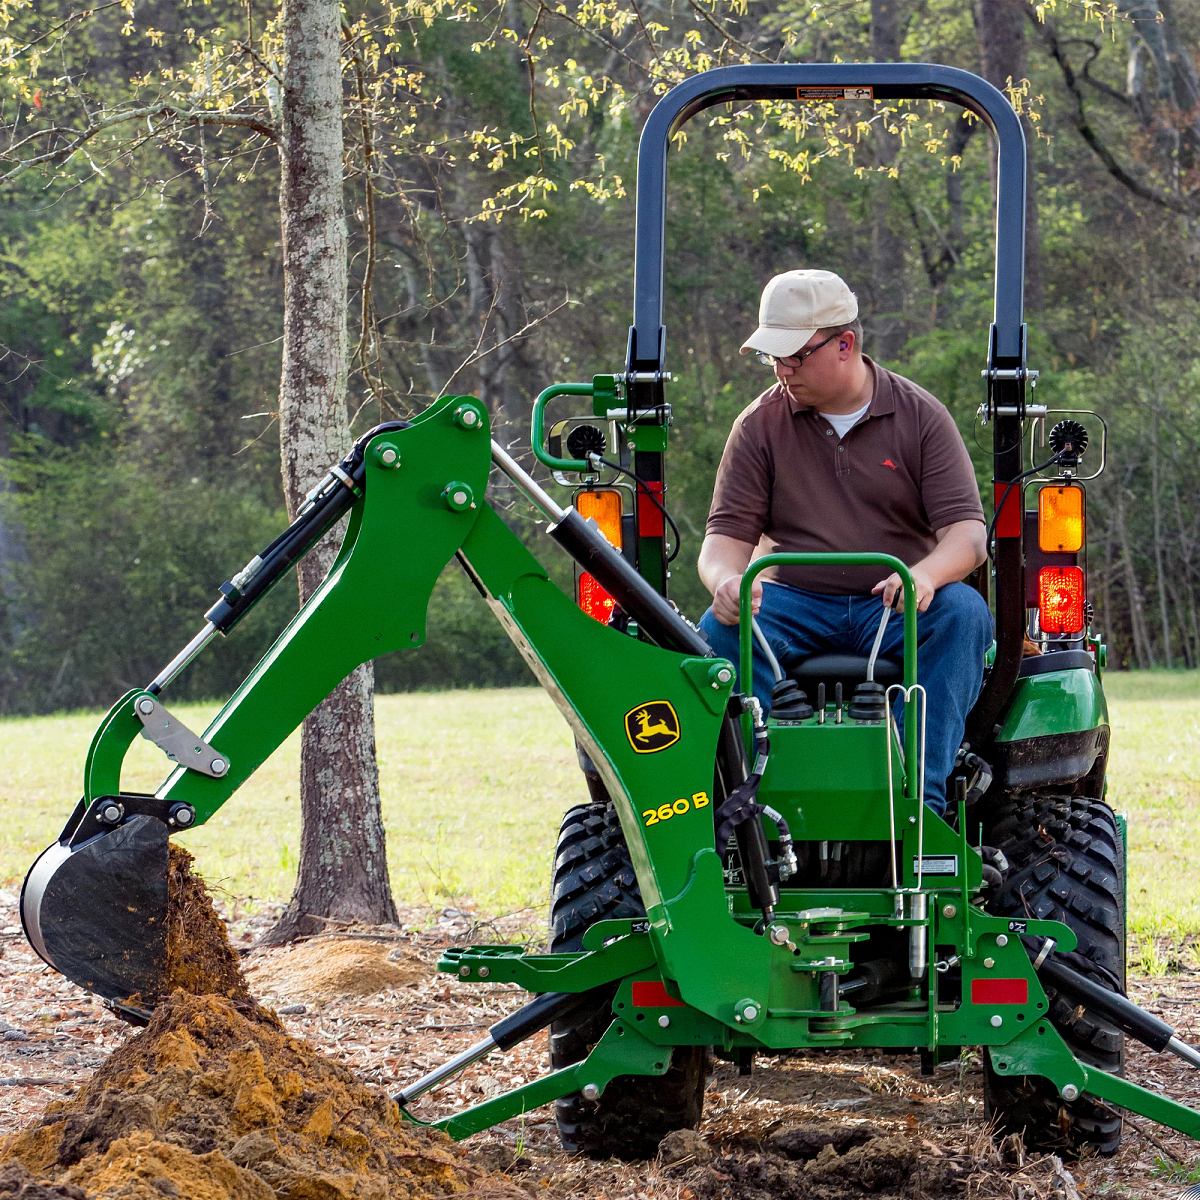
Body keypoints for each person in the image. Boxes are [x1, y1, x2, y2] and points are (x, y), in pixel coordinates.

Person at [697, 269, 993, 815]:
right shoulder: (759, 425)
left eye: (795, 356)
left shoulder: (921, 417)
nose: (783, 370)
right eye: (774, 358)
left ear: (845, 344)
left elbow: (968, 537)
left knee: (964, 613)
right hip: (793, 604)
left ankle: (917, 804)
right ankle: (760, 794)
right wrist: (726, 582)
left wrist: (925, 575)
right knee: (718, 630)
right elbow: (724, 539)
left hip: (897, 603)